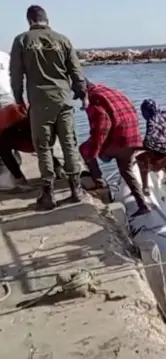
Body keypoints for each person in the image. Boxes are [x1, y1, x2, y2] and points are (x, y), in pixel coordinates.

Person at [9, 5, 88, 210]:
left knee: (43, 147)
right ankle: (76, 189)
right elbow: (76, 71)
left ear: (29, 21)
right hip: (63, 99)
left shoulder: (22, 41)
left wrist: (19, 98)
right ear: (46, 19)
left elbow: (16, 74)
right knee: (69, 143)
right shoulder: (63, 40)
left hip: (39, 101)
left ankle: (48, 194)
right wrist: (81, 93)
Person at [79, 79, 150, 216]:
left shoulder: (94, 98)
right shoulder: (112, 92)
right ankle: (143, 205)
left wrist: (95, 150)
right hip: (132, 138)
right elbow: (132, 111)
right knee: (126, 171)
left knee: (84, 149)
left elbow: (102, 125)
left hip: (118, 139)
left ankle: (99, 182)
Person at [0, 103, 65, 191]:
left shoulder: (11, 114)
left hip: (29, 134)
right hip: (35, 135)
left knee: (3, 148)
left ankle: (20, 180)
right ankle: (57, 168)